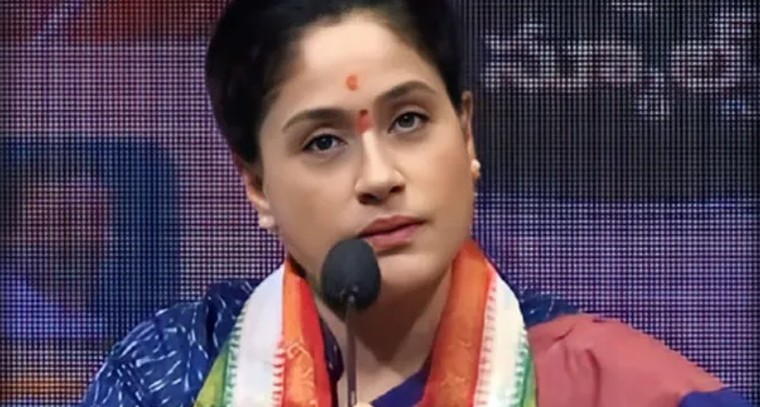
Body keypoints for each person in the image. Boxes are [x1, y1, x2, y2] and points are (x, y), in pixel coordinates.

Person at [80, 0, 754, 406]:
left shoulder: (610, 384)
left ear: (466, 134)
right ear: (256, 184)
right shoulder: (170, 374)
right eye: (322, 141)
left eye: (408, 121)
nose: (379, 177)